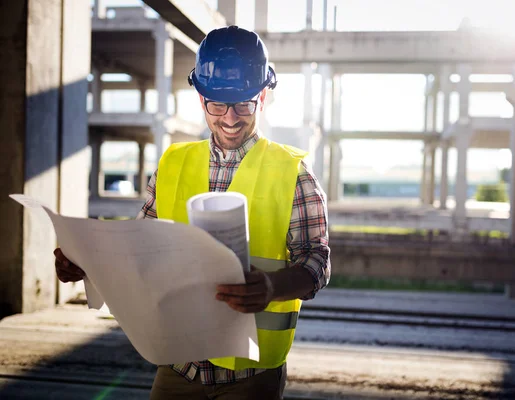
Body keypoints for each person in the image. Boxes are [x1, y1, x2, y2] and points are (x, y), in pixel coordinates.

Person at [54, 25, 330, 400]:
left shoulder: (293, 173)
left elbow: (317, 262)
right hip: (178, 365)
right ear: (201, 99)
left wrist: (270, 288)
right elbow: (137, 250)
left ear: (263, 97)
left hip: (252, 375)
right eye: (217, 104)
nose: (229, 119)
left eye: (243, 104)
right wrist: (85, 261)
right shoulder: (172, 164)